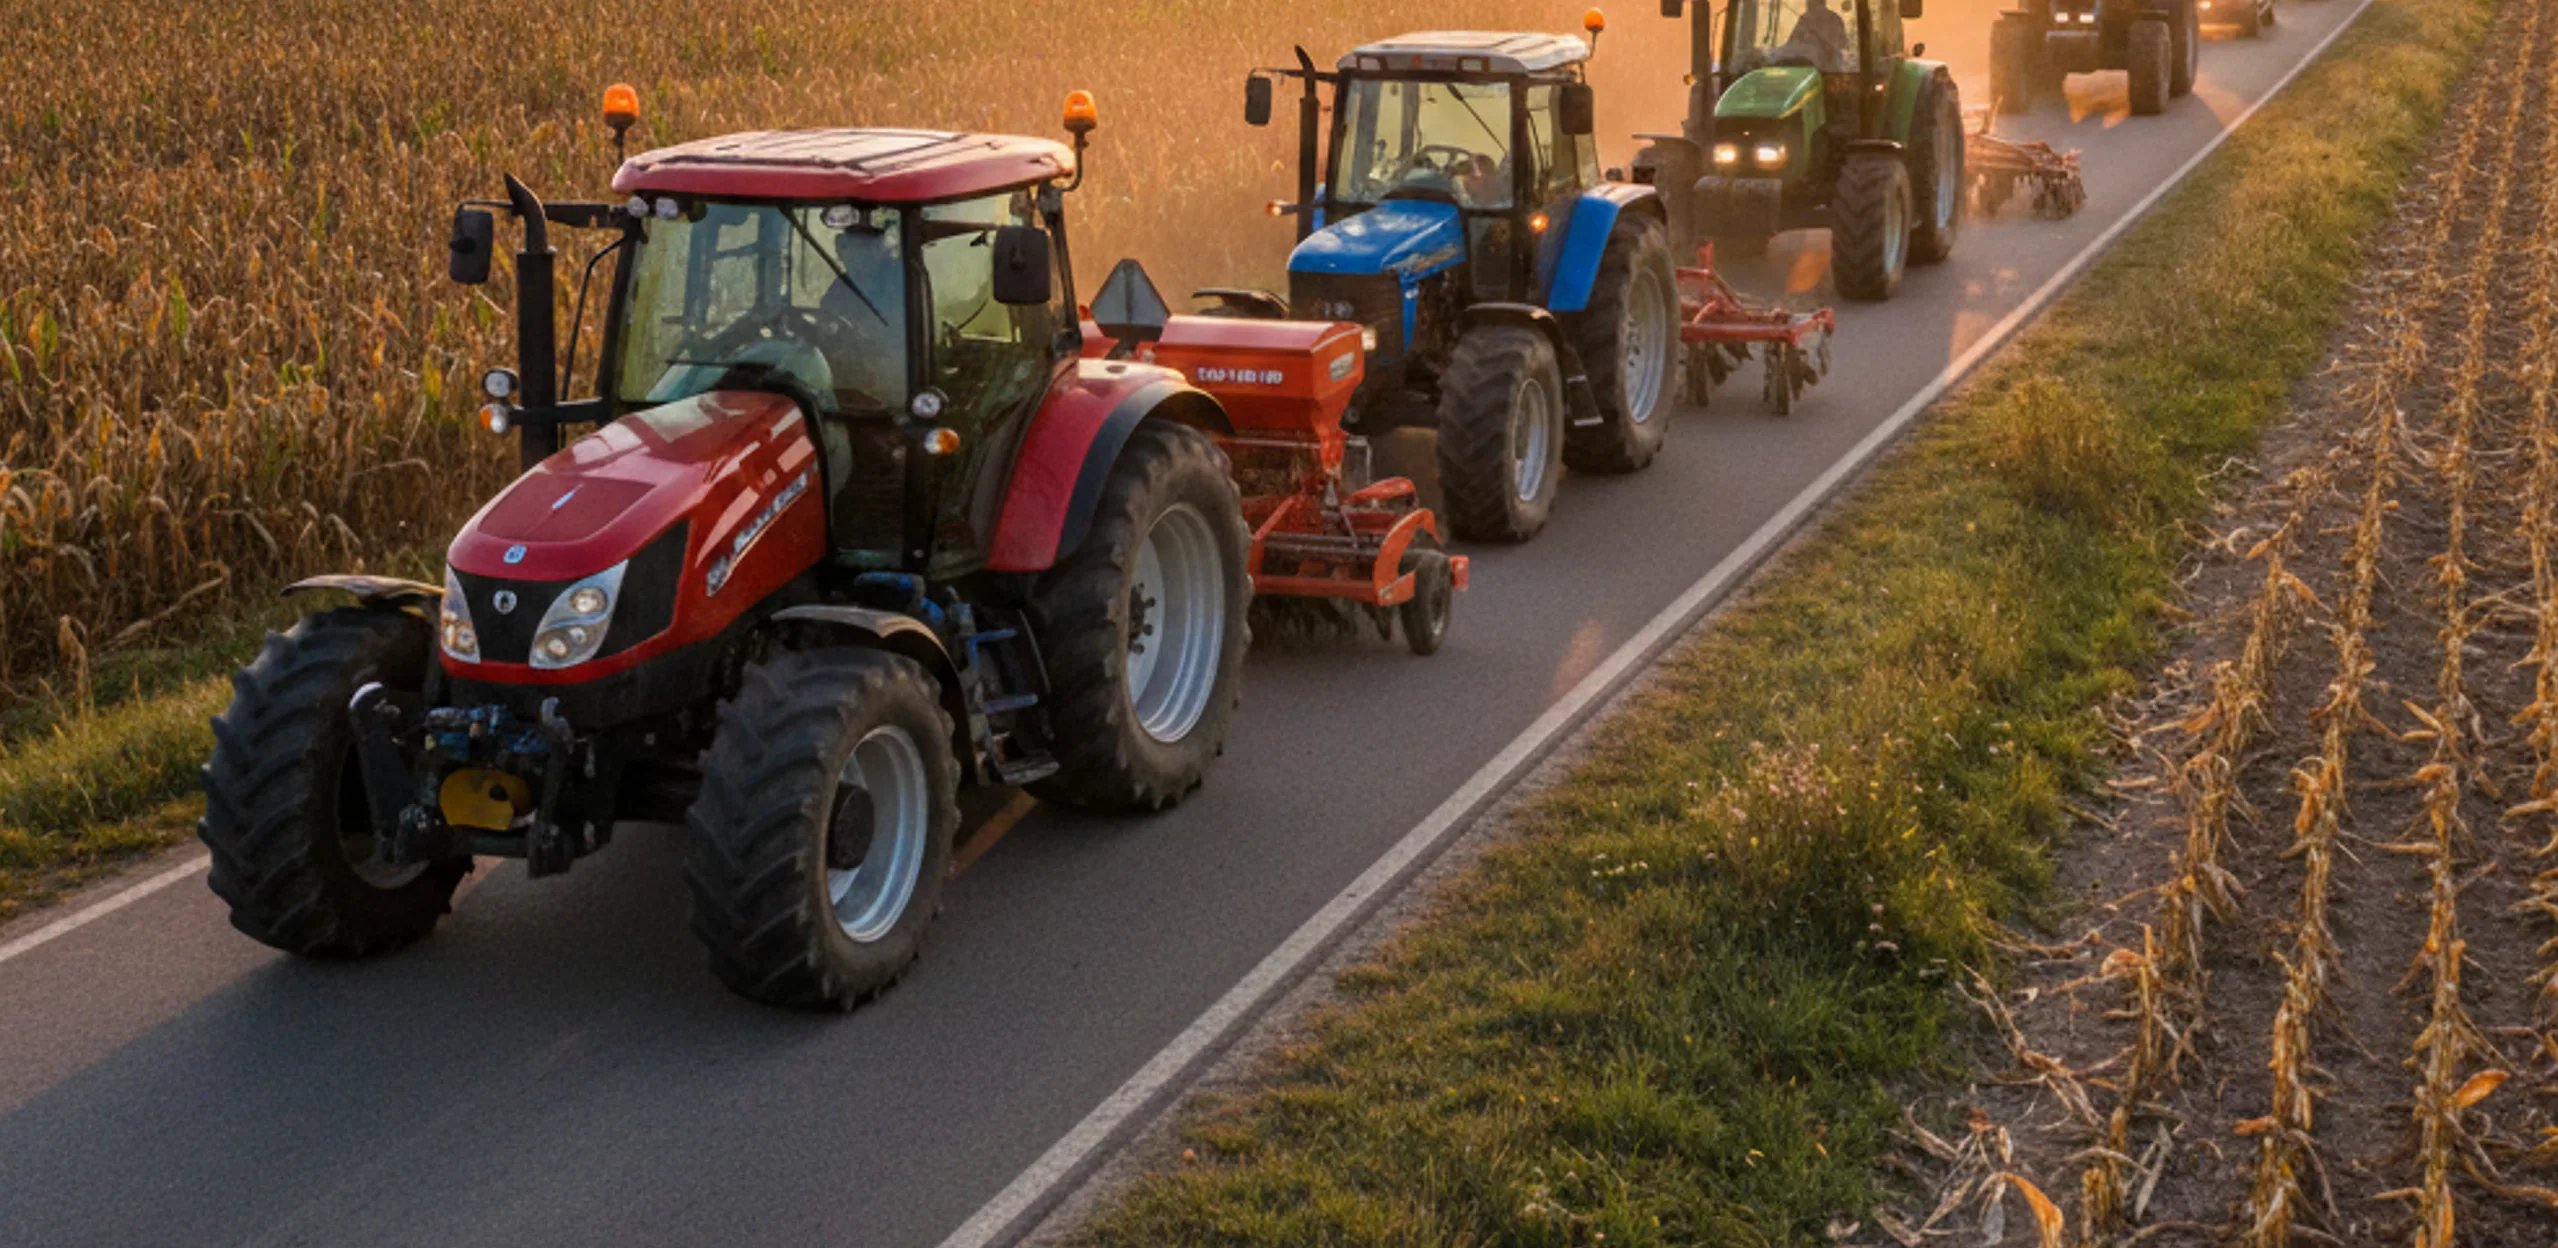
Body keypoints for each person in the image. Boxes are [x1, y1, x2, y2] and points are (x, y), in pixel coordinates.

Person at [1783, 0, 1852, 71]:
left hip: (1812, 70)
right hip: (1833, 69)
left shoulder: (1807, 18)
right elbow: (1843, 44)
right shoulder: (1836, 18)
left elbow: (1791, 43)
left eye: (1808, 1)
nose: (1806, 4)